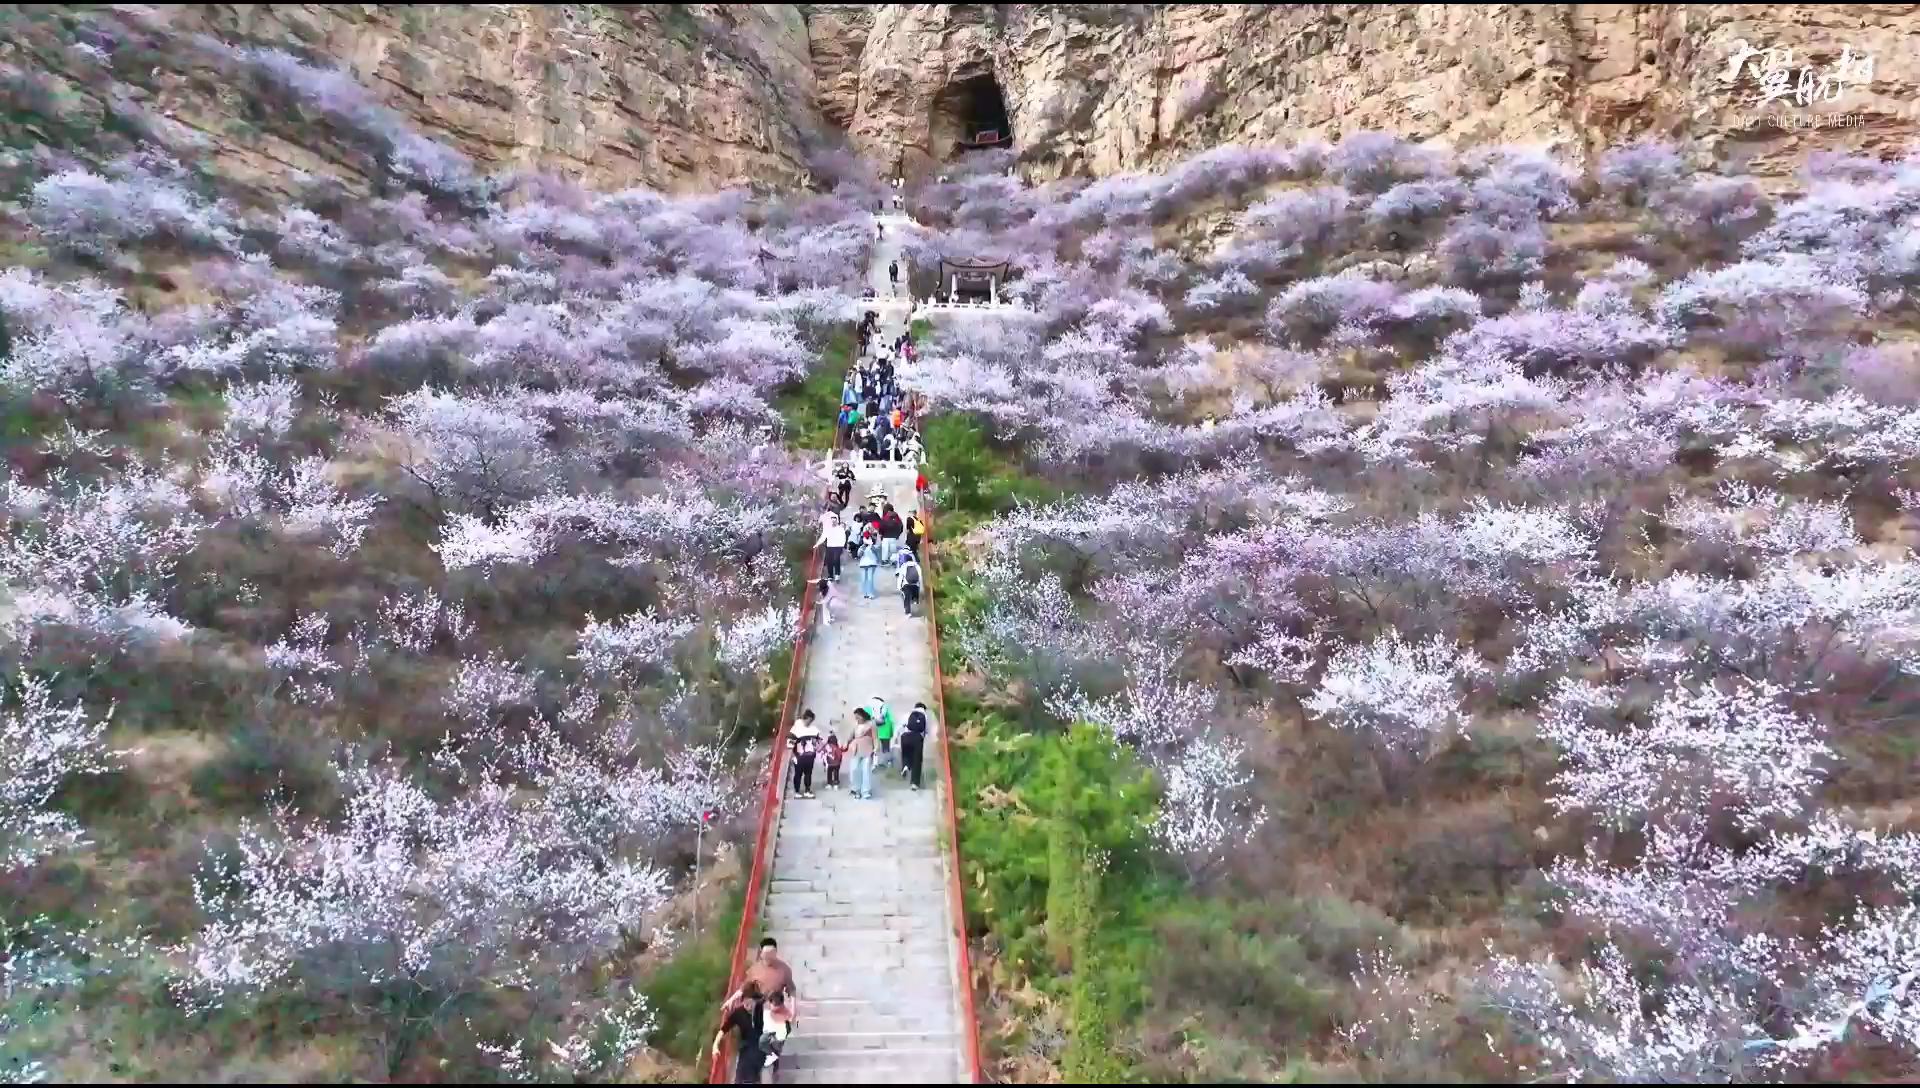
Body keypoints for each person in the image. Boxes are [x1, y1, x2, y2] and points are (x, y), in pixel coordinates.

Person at [712, 980, 764, 1085]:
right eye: (745, 1003)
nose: (748, 1006)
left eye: (750, 1003)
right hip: (746, 1049)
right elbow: (723, 1029)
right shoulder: (738, 1013)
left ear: (756, 1001)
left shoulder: (761, 1008)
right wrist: (715, 1046)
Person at [760, 990, 793, 1083]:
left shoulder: (784, 1014)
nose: (775, 1008)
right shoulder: (765, 1010)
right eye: (774, 1005)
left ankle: (774, 1067)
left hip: (777, 1038)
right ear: (769, 1003)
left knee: (775, 1051)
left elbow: (787, 1028)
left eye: (778, 1006)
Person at [900, 700, 933, 790]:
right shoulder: (925, 716)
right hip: (917, 738)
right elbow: (927, 731)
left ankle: (905, 766)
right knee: (917, 760)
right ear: (924, 709)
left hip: (905, 737)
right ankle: (914, 783)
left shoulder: (908, 714)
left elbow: (901, 726)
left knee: (906, 753)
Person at [848, 707, 877, 799]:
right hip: (856, 750)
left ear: (862, 716)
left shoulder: (871, 725)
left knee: (866, 770)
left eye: (858, 717)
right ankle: (856, 789)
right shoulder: (855, 726)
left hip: (867, 750)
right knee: (855, 769)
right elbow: (850, 736)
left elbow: (875, 738)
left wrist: (876, 748)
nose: (857, 719)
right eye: (856, 718)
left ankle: (866, 791)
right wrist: (845, 743)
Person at [790, 710, 820, 798]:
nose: (810, 722)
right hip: (799, 756)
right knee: (798, 774)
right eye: (809, 720)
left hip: (810, 756)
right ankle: (797, 791)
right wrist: (793, 756)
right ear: (805, 718)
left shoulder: (813, 729)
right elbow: (790, 743)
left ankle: (807, 790)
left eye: (811, 721)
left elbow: (818, 740)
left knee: (808, 773)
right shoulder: (796, 729)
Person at [815, 511, 848, 580]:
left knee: (836, 559)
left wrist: (842, 545)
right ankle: (830, 575)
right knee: (829, 561)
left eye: (834, 519)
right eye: (832, 519)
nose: (833, 521)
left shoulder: (840, 529)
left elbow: (843, 537)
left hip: (838, 547)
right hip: (830, 546)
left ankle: (837, 574)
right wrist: (817, 544)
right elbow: (823, 537)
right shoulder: (828, 529)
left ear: (837, 520)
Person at [869, 695, 896, 770]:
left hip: (880, 729)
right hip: (884, 730)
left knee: (879, 747)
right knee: (884, 747)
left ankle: (879, 763)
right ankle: (887, 762)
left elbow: (880, 716)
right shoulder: (883, 707)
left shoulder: (880, 707)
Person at [896, 548, 923, 618]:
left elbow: (900, 577)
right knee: (914, 599)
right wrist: (920, 586)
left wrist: (899, 587)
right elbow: (920, 576)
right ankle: (916, 606)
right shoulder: (917, 566)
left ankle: (908, 612)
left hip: (906, 585)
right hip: (915, 585)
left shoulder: (904, 566)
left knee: (906, 599)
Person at [857, 526, 881, 599]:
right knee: (864, 579)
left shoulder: (873, 545)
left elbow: (877, 553)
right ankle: (865, 593)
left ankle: (871, 593)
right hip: (863, 564)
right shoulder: (862, 547)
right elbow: (859, 555)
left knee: (870, 579)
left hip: (872, 563)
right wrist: (863, 547)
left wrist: (872, 546)